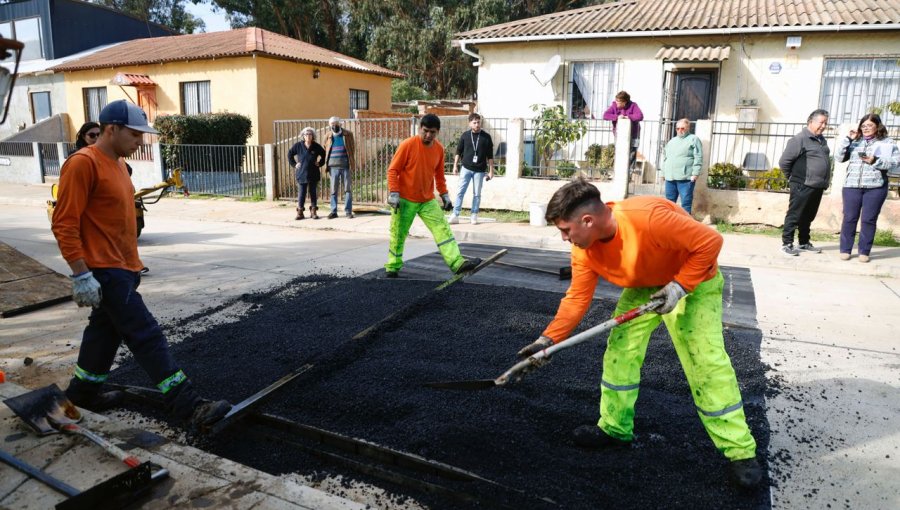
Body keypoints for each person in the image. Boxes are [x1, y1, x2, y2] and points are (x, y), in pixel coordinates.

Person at [516, 178, 762, 489]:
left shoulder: (648, 218)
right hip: (645, 286)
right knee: (621, 351)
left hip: (694, 282)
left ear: (587, 220)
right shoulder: (585, 249)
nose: (565, 238)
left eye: (566, 230)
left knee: (705, 362)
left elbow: (710, 242)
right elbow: (577, 297)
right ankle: (615, 428)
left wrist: (679, 286)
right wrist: (546, 341)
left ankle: (740, 451)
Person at [51, 100, 231, 431]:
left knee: (103, 335)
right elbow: (64, 223)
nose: (140, 141)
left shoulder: (118, 164)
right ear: (111, 129)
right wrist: (81, 274)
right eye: (134, 135)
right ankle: (188, 405)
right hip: (104, 270)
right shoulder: (82, 164)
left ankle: (82, 394)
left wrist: (133, 266)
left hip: (125, 267)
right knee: (145, 334)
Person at [384, 114, 481, 278]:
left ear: (438, 132)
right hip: (405, 199)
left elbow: (439, 175)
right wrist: (394, 193)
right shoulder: (407, 145)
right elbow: (393, 170)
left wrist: (444, 195)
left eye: (433, 132)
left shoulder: (439, 149)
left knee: (443, 229)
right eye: (426, 131)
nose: (428, 135)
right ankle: (393, 266)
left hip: (427, 200)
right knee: (398, 234)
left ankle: (457, 263)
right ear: (420, 128)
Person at [836, 113, 900, 263]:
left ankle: (864, 251)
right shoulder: (855, 141)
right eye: (863, 125)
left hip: (875, 187)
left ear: (878, 126)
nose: (866, 128)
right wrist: (848, 139)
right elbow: (839, 158)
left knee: (868, 219)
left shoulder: (887, 142)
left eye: (869, 125)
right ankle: (845, 249)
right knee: (849, 218)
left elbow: (896, 163)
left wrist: (875, 161)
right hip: (852, 186)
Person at [779, 109, 831, 257]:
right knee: (795, 214)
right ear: (811, 121)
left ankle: (803, 242)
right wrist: (794, 178)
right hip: (802, 184)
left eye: (825, 123)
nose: (823, 126)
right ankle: (787, 244)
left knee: (808, 216)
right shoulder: (799, 139)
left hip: (817, 185)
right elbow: (784, 162)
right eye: (821, 122)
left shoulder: (821, 140)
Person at [450, 113, 494, 225]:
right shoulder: (465, 135)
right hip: (466, 168)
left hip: (479, 170)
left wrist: (491, 171)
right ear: (470, 123)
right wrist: (455, 166)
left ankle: (474, 215)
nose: (477, 124)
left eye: (478, 122)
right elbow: (458, 152)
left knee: (477, 194)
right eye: (474, 122)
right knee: (460, 192)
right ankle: (455, 214)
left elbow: (490, 156)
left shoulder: (486, 137)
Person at [661, 118, 703, 214]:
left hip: (686, 177)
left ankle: (686, 225)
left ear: (688, 128)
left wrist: (695, 173)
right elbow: (665, 158)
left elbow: (698, 157)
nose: (680, 130)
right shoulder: (672, 141)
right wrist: (663, 173)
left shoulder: (693, 139)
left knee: (686, 203)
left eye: (683, 128)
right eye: (678, 128)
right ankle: (670, 223)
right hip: (670, 177)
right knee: (669, 203)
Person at [288, 127, 326, 220]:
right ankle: (300, 212)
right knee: (302, 193)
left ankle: (313, 212)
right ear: (303, 136)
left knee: (313, 193)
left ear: (313, 136)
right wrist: (294, 164)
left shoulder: (316, 146)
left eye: (310, 134)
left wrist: (320, 163)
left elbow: (324, 154)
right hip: (301, 173)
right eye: (306, 134)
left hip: (313, 173)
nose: (308, 136)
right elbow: (290, 154)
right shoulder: (298, 145)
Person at [323, 116, 356, 219]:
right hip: (333, 167)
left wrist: (350, 161)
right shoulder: (327, 136)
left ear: (340, 124)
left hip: (346, 166)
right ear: (330, 125)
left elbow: (352, 148)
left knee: (348, 190)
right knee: (333, 190)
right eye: (332, 124)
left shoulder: (348, 134)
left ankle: (348, 211)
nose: (334, 126)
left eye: (336, 123)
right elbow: (325, 148)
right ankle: (333, 211)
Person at [602, 91, 643, 166]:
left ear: (624, 102)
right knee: (620, 153)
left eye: (619, 102)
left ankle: (629, 172)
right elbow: (605, 115)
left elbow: (640, 116)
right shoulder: (614, 106)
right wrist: (617, 117)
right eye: (616, 101)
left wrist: (628, 117)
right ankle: (619, 171)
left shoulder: (633, 105)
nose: (616, 103)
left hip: (634, 134)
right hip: (619, 135)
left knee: (632, 154)